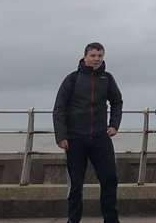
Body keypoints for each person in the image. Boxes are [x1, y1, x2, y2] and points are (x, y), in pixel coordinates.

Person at [53, 41, 123, 223]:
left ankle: (111, 219)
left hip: (100, 137)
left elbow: (117, 101)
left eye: (100, 56)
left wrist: (114, 124)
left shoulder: (107, 79)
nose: (96, 59)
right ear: (85, 57)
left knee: (109, 179)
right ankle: (73, 220)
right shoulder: (72, 79)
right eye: (93, 56)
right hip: (75, 138)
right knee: (76, 184)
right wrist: (61, 136)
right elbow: (59, 108)